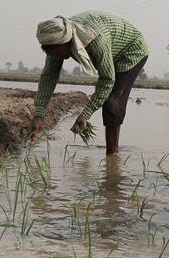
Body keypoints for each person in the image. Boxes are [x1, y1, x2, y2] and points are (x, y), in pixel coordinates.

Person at [31, 10, 149, 155]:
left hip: (131, 50)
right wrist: (39, 113)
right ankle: (111, 157)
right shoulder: (54, 41)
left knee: (112, 101)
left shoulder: (94, 40)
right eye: (53, 55)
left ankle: (112, 155)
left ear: (69, 41)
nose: (58, 58)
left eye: (60, 53)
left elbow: (107, 79)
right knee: (109, 99)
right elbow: (49, 76)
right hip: (111, 46)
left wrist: (85, 114)